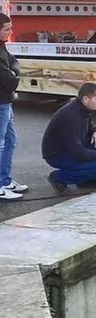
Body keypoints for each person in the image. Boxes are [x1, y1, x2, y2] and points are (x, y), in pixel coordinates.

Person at [42, 82, 96, 193]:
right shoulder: (71, 116)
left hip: (74, 147)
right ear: (86, 99)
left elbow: (90, 126)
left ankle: (87, 180)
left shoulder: (83, 109)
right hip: (59, 154)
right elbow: (78, 153)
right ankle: (58, 178)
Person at [0, 13, 27, 201]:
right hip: (1, 102)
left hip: (6, 102)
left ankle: (5, 180)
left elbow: (14, 63)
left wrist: (13, 70)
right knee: (1, 143)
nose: (11, 31)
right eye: (7, 29)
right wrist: (13, 72)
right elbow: (10, 81)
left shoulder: (3, 47)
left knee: (11, 141)